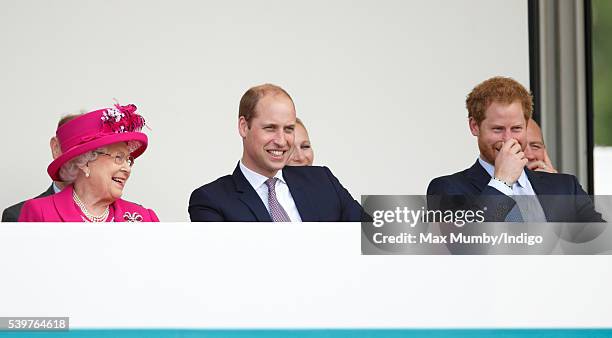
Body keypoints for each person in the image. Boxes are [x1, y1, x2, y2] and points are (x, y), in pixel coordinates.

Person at [427, 76, 603, 222]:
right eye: (498, 129)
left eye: (516, 128)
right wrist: (502, 182)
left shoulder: (565, 187)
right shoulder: (447, 189)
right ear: (474, 126)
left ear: (526, 125)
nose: (508, 139)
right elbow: (469, 247)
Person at [189, 84, 367, 222]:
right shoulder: (211, 201)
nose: (282, 141)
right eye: (270, 128)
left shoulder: (322, 180)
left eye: (289, 129)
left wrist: (392, 218)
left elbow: (380, 242)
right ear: (244, 127)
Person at [19, 103, 159, 222]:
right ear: (85, 162)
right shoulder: (40, 213)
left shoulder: (145, 218)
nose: (127, 168)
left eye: (128, 160)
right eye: (118, 157)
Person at [2, 113, 81, 222]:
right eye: (76, 147)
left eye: (94, 152)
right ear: (56, 148)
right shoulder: (18, 216)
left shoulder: (111, 214)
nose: (84, 159)